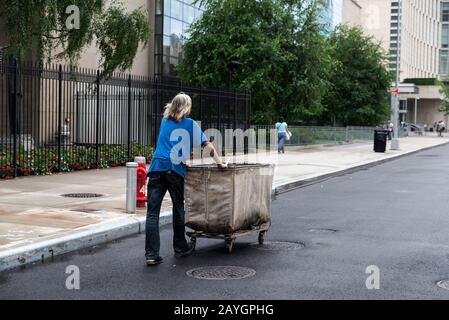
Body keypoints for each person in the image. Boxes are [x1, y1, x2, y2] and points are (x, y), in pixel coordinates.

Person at [145, 93, 225, 266]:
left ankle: (151, 254)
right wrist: (219, 163)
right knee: (178, 208)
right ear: (186, 107)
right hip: (174, 170)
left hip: (157, 168)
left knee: (152, 213)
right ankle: (180, 247)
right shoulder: (190, 124)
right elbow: (207, 145)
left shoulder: (164, 121)